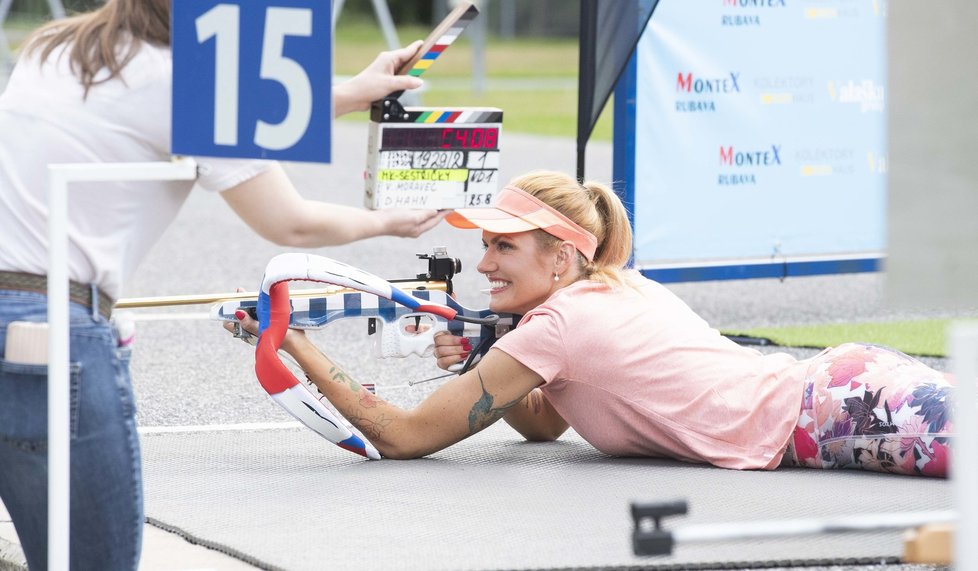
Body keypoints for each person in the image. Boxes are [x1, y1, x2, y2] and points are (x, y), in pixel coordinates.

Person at [0, 0, 444, 568]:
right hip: (52, 334)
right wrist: (389, 222)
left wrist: (352, 91)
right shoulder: (196, 85)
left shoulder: (53, 48)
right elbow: (288, 220)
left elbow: (240, 107)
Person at [229, 170, 959, 480]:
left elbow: (405, 435)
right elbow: (547, 421)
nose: (483, 263)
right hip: (839, 389)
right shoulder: (604, 288)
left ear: (560, 257)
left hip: (835, 409)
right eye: (485, 244)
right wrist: (488, 363)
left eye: (503, 246)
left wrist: (293, 341)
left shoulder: (559, 325)